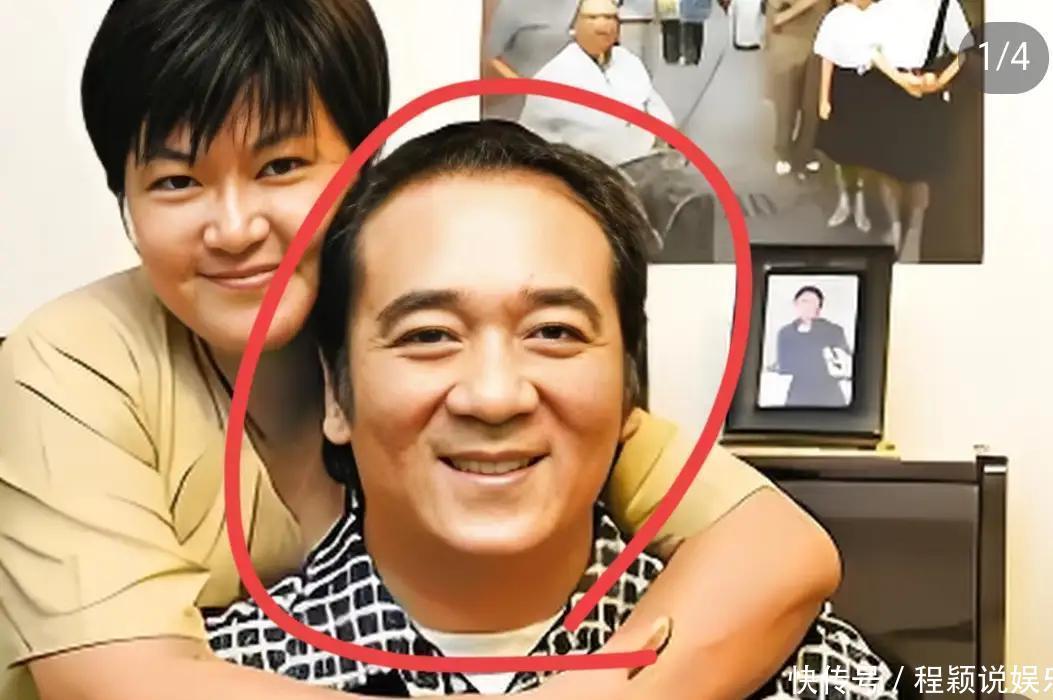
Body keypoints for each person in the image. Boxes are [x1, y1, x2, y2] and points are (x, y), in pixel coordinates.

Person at [0, 2, 843, 699]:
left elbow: (775, 550)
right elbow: (118, 680)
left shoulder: (436, 350)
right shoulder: (74, 364)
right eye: (176, 182)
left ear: (366, 166)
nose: (233, 229)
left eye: (281, 166)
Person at [204, 119, 897, 698]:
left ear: (629, 386)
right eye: (429, 336)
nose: (494, 395)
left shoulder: (808, 673)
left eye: (554, 332)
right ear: (335, 391)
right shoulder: (213, 674)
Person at [859, 0, 973, 261]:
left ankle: (914, 232)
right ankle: (894, 226)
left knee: (922, 169)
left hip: (927, 92)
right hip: (888, 90)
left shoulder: (946, 5)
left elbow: (965, 51)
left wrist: (939, 82)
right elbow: (868, 50)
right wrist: (899, 79)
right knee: (887, 165)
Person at [518, 0, 675, 167]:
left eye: (610, 18)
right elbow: (603, 141)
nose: (603, 27)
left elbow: (658, 111)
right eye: (593, 18)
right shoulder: (554, 77)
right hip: (580, 171)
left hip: (643, 163)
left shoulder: (628, 61)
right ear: (575, 26)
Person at [814, 0, 878, 233]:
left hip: (873, 86)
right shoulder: (836, 18)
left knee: (865, 149)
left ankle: (860, 203)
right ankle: (844, 201)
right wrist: (823, 98)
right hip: (843, 86)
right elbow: (827, 60)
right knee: (841, 150)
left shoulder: (882, 15)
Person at [763, 0, 830, 177]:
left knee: (812, 102)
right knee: (786, 101)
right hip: (788, 39)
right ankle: (783, 150)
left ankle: (805, 151)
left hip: (819, 38)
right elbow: (775, 17)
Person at [773, 286, 852, 407]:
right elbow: (784, 366)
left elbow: (844, 361)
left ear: (819, 307)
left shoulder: (833, 330)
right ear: (795, 304)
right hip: (799, 393)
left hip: (829, 393)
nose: (808, 306)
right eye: (804, 301)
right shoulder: (786, 332)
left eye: (813, 302)